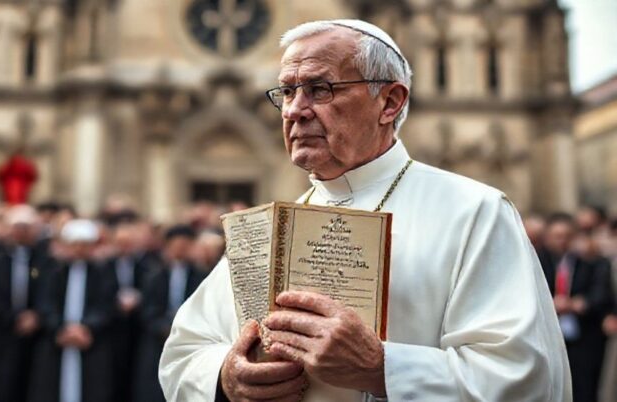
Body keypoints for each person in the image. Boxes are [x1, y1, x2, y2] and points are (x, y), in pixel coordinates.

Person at [159, 19, 571, 401]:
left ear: (389, 102)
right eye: (286, 91)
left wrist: (382, 368)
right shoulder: (270, 228)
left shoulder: (474, 212)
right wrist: (225, 376)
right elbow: (183, 352)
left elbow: (524, 377)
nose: (294, 110)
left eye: (319, 89)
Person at [29, 219, 117, 402]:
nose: (79, 249)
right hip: (57, 339)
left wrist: (85, 328)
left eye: (84, 244)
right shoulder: (53, 271)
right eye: (74, 244)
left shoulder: (104, 273)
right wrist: (61, 329)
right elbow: (45, 303)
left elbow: (106, 305)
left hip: (91, 340)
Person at [0, 205, 51, 402]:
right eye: (17, 227)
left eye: (27, 227)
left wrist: (36, 316)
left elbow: (48, 290)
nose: (21, 232)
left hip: (33, 333)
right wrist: (13, 318)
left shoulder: (44, 259)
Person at [538, 214, 612, 402]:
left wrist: (578, 303)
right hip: (548, 335)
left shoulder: (591, 262)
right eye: (557, 236)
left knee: (584, 387)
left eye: (567, 236)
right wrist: (550, 304)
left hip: (584, 335)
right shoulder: (538, 262)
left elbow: (602, 294)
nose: (562, 241)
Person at [134, 225, 206, 402]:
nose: (180, 250)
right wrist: (165, 329)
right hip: (158, 341)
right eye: (176, 246)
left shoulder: (202, 277)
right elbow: (148, 311)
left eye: (184, 246)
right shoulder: (154, 276)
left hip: (190, 341)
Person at [104, 222, 161, 402]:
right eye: (120, 242)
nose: (124, 247)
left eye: (128, 243)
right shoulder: (104, 266)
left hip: (138, 328)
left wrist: (139, 298)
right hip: (113, 329)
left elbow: (152, 293)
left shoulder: (147, 266)